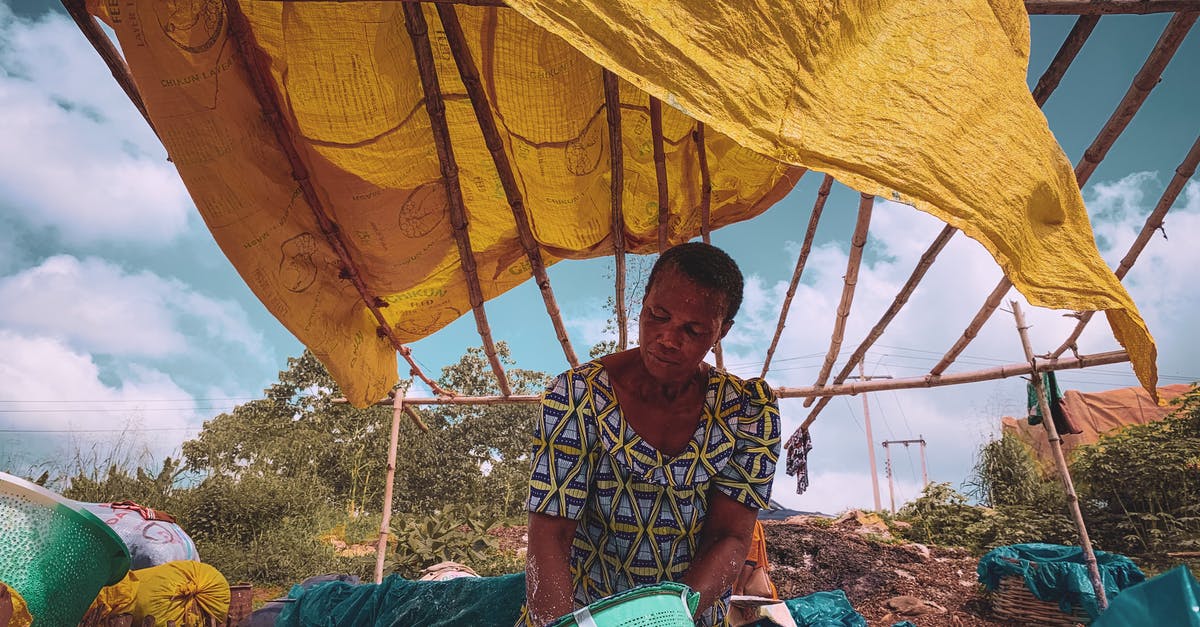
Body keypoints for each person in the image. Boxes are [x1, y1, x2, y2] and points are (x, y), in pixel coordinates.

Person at [522, 243, 782, 626]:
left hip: (686, 613)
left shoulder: (746, 411)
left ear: (721, 331)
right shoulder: (578, 397)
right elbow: (550, 534)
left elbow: (728, 537)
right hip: (578, 611)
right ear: (643, 303)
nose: (668, 339)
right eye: (657, 315)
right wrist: (565, 624)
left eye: (692, 330)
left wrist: (668, 617)